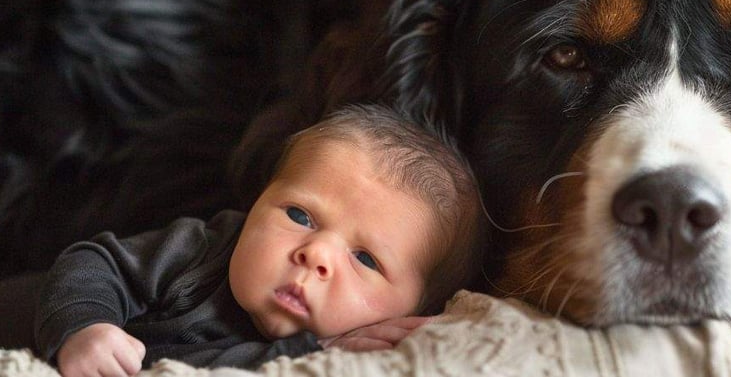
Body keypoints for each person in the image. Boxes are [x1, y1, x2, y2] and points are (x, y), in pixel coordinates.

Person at [32, 104, 485, 376]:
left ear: (414, 310)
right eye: (299, 214)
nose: (317, 252)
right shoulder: (202, 250)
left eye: (365, 259)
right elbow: (95, 263)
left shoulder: (352, 358)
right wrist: (83, 327)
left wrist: (315, 353)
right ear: (259, 201)